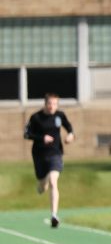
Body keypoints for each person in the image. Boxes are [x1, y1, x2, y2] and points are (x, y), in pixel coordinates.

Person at [24, 93, 75, 228]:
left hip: (55, 154)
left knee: (53, 181)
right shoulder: (36, 117)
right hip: (39, 154)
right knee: (43, 186)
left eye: (55, 104)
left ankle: (54, 215)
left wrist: (70, 135)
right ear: (45, 103)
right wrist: (42, 138)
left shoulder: (60, 115)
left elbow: (69, 128)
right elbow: (27, 134)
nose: (52, 106)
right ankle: (42, 183)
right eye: (50, 103)